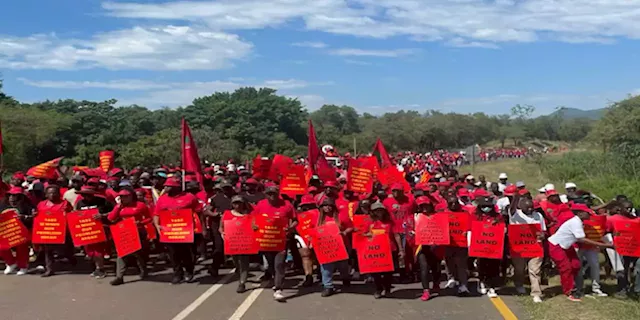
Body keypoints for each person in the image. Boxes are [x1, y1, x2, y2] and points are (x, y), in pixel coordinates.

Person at [547, 205, 614, 302]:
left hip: (566, 246)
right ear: (580, 213)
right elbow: (582, 239)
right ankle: (569, 292)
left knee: (576, 265)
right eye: (587, 213)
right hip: (557, 246)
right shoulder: (575, 222)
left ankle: (575, 286)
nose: (589, 214)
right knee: (566, 268)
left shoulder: (579, 221)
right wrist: (604, 245)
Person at [153, 176, 201, 284]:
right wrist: (157, 226)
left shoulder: (189, 197)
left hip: (185, 230)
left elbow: (198, 211)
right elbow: (156, 214)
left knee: (186, 252)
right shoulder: (162, 198)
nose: (166, 187)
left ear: (176, 187)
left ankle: (189, 271)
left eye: (168, 186)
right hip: (169, 231)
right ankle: (177, 273)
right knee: (173, 253)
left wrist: (200, 228)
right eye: (165, 185)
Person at [254, 185, 297, 302]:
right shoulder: (260, 204)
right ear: (265, 195)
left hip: (281, 241)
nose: (272, 196)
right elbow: (253, 218)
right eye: (269, 194)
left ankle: (278, 289)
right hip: (266, 241)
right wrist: (254, 225)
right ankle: (276, 278)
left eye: (274, 193)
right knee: (271, 264)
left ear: (278, 194)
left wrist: (290, 228)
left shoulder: (287, 205)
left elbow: (295, 220)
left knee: (279, 264)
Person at [107, 187, 151, 285]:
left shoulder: (140, 205)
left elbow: (149, 218)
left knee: (138, 254)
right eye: (121, 197)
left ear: (131, 196)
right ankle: (119, 277)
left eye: (126, 197)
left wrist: (140, 222)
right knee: (121, 254)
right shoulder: (119, 207)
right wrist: (118, 207)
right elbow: (111, 218)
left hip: (138, 232)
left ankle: (143, 270)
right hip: (124, 232)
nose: (124, 199)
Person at [510, 197, 546, 303]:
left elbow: (543, 230)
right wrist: (515, 195)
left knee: (535, 270)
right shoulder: (515, 215)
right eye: (527, 207)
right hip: (519, 248)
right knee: (519, 269)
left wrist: (542, 235)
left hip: (535, 247)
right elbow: (511, 208)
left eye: (531, 207)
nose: (530, 209)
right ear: (521, 207)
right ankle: (519, 284)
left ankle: (536, 293)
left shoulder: (538, 216)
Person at [316, 197, 353, 297]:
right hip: (325, 248)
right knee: (325, 267)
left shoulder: (342, 216)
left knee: (343, 266)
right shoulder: (318, 218)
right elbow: (313, 231)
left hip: (342, 246)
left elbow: (351, 227)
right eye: (324, 205)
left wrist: (344, 232)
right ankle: (328, 286)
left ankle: (345, 278)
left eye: (329, 205)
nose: (327, 207)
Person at [75, 185, 114, 279]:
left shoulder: (103, 201)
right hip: (86, 230)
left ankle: (100, 269)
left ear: (93, 194)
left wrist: (102, 215)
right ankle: (96, 267)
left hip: (100, 229)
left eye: (88, 195)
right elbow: (76, 214)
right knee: (89, 251)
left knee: (98, 250)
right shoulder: (80, 203)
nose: (86, 197)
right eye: (84, 195)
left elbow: (114, 212)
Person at [35, 185, 74, 277]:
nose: (52, 195)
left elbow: (71, 215)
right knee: (47, 251)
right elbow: (38, 217)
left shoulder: (64, 203)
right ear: (46, 194)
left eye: (54, 193)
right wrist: (35, 215)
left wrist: (67, 212)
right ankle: (49, 269)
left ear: (58, 194)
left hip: (62, 232)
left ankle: (71, 258)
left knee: (64, 251)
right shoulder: (41, 204)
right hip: (47, 232)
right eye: (50, 193)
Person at [366, 201, 402, 298]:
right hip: (375, 251)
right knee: (374, 272)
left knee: (388, 272)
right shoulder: (370, 223)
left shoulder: (390, 222)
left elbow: (396, 235)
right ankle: (378, 288)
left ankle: (387, 288)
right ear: (373, 212)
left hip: (390, 250)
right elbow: (365, 235)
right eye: (376, 211)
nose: (379, 213)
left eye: (380, 210)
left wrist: (401, 250)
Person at [221, 195, 255, 293]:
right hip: (232, 243)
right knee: (236, 262)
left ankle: (242, 283)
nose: (237, 205)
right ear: (232, 204)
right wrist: (223, 233)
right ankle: (239, 272)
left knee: (244, 261)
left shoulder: (249, 215)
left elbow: (254, 226)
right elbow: (221, 227)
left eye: (239, 203)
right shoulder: (227, 214)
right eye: (235, 203)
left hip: (245, 243)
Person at [607, 200, 640, 299]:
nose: (629, 210)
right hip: (620, 249)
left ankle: (637, 290)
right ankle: (622, 290)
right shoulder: (612, 219)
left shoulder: (638, 220)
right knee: (621, 270)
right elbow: (606, 231)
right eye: (626, 208)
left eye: (631, 208)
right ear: (620, 208)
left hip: (636, 249)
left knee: (638, 269)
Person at [474, 196, 504, 298]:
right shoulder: (475, 216)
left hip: (493, 246)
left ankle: (492, 286)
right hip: (480, 246)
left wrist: (499, 226)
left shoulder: (498, 216)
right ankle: (482, 281)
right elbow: (471, 228)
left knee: (494, 267)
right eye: (484, 206)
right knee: (482, 265)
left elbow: (503, 228)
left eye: (488, 206)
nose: (486, 208)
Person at [0, 186, 34, 276]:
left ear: (21, 197)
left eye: (15, 195)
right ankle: (11, 263)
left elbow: (33, 218)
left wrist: (24, 217)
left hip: (21, 232)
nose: (12, 197)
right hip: (6, 231)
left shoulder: (27, 206)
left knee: (22, 248)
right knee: (2, 247)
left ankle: (23, 266)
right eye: (10, 195)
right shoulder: (2, 205)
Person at [413, 196, 441, 301]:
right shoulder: (417, 217)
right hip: (422, 247)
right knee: (424, 268)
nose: (424, 208)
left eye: (426, 205)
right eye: (421, 206)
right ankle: (426, 290)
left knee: (436, 268)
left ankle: (436, 283)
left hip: (436, 246)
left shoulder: (438, 216)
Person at [294, 194, 319, 287]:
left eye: (309, 205)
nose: (307, 207)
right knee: (305, 256)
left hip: (317, 236)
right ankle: (308, 276)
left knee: (317, 256)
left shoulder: (318, 213)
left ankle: (320, 272)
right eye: (305, 206)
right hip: (301, 236)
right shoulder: (297, 214)